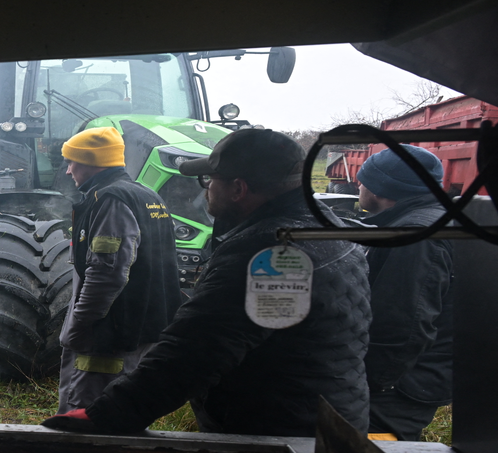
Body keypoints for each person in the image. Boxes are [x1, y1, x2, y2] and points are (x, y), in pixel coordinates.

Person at [43, 129, 371, 437]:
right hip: (326, 415)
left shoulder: (267, 252)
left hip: (275, 431)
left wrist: (106, 415)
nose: (206, 188)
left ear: (238, 189)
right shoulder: (329, 226)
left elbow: (195, 351)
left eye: (209, 179)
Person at [55, 127, 182, 413]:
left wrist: (81, 323)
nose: (67, 171)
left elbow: (107, 272)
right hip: (143, 325)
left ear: (90, 163)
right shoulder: (147, 195)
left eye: (71, 162)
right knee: (122, 407)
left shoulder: (110, 200)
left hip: (109, 332)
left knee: (89, 409)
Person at [356, 145, 453, 441]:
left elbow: (402, 325)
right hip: (416, 376)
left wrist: (372, 383)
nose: (358, 185)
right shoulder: (436, 219)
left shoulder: (415, 236)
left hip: (397, 388)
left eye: (363, 180)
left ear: (379, 188)